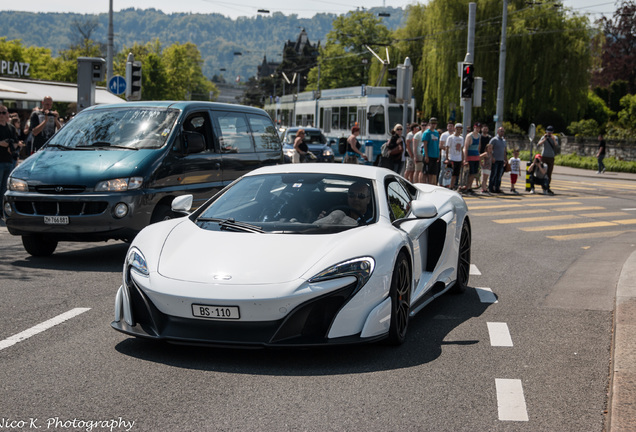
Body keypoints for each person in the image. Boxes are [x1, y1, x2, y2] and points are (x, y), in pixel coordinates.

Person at [0, 105, 22, 197]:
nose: (1, 115)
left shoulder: (11, 128)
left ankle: (2, 210)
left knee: (5, 188)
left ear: (7, 114)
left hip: (9, 161)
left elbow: (17, 142)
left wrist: (11, 145)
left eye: (3, 113)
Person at [462, 122, 481, 194]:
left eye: (479, 128)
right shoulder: (469, 136)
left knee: (474, 173)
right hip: (470, 156)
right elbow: (466, 147)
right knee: (469, 173)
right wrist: (465, 159)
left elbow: (479, 146)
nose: (477, 129)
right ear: (474, 128)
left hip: (476, 156)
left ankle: (470, 186)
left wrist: (479, 156)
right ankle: (467, 186)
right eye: (476, 128)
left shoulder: (479, 135)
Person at [537, 125, 557, 194]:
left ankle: (547, 187)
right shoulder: (544, 137)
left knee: (549, 173)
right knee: (544, 172)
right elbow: (538, 144)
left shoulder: (555, 137)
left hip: (551, 157)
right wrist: (544, 140)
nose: (549, 134)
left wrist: (553, 139)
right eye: (548, 132)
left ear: (552, 132)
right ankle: (544, 187)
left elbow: (556, 145)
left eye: (550, 133)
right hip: (544, 157)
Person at [488, 126, 507, 193]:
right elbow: (489, 149)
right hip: (495, 160)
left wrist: (505, 159)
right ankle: (490, 187)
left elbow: (504, 151)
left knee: (499, 175)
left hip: (501, 160)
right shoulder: (494, 139)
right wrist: (492, 157)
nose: (502, 132)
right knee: (494, 174)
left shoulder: (504, 141)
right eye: (501, 131)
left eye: (503, 131)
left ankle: (497, 188)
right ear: (497, 132)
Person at [445, 123, 464, 190]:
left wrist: (462, 159)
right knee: (450, 173)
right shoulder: (450, 137)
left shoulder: (461, 138)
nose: (459, 131)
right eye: (458, 129)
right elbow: (447, 148)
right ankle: (448, 186)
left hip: (458, 158)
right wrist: (447, 158)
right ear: (455, 129)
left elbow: (461, 149)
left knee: (456, 174)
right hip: (452, 158)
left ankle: (452, 186)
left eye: (460, 129)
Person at [422, 117, 440, 185]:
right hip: (428, 155)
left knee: (433, 173)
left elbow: (437, 144)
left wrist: (438, 155)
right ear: (429, 124)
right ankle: (425, 185)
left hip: (434, 155)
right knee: (426, 172)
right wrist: (426, 156)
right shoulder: (426, 133)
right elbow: (425, 145)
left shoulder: (436, 133)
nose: (433, 125)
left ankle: (432, 184)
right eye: (432, 123)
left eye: (435, 123)